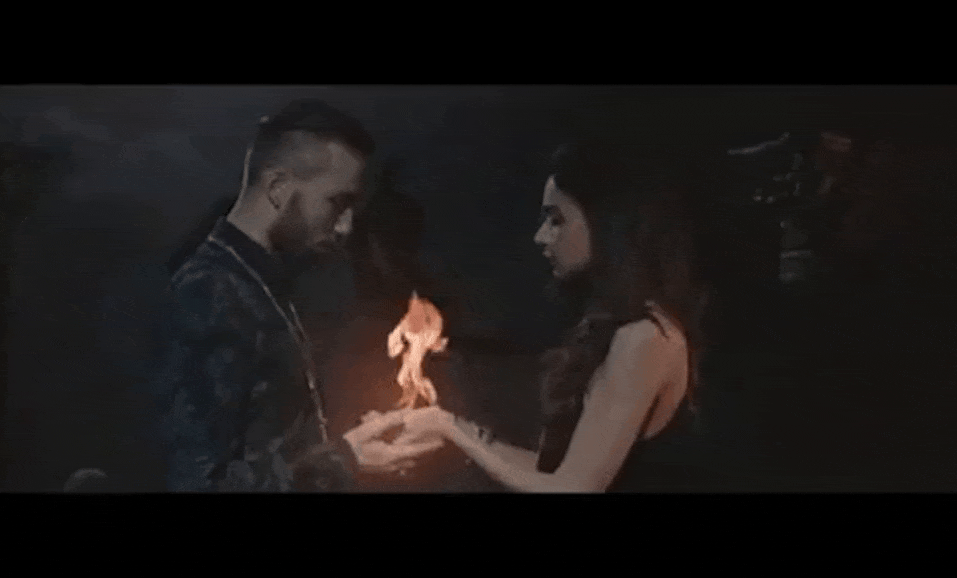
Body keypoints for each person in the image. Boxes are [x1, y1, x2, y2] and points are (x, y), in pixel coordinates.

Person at [152, 99, 442, 492]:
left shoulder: (256, 281)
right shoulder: (208, 292)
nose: (345, 227)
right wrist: (346, 460)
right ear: (277, 189)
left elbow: (267, 447)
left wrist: (352, 449)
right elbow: (197, 485)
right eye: (337, 202)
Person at [392, 142, 712, 492]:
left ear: (608, 225)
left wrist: (450, 429)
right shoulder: (620, 329)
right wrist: (451, 428)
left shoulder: (645, 338)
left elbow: (574, 487)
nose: (540, 236)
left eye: (557, 220)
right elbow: (553, 471)